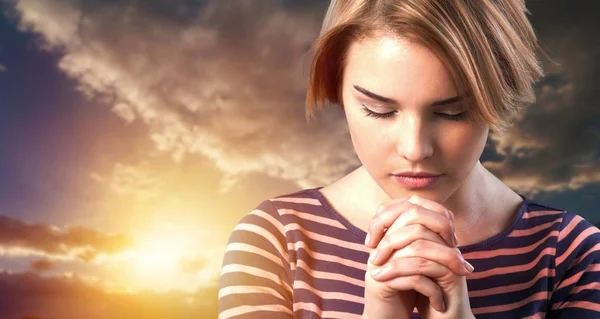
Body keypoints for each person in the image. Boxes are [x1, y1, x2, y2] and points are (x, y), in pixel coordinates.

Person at [218, 0, 600, 318]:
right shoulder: (278, 241)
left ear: (498, 94)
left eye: (453, 113)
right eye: (379, 110)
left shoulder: (573, 253)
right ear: (338, 87)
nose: (415, 150)